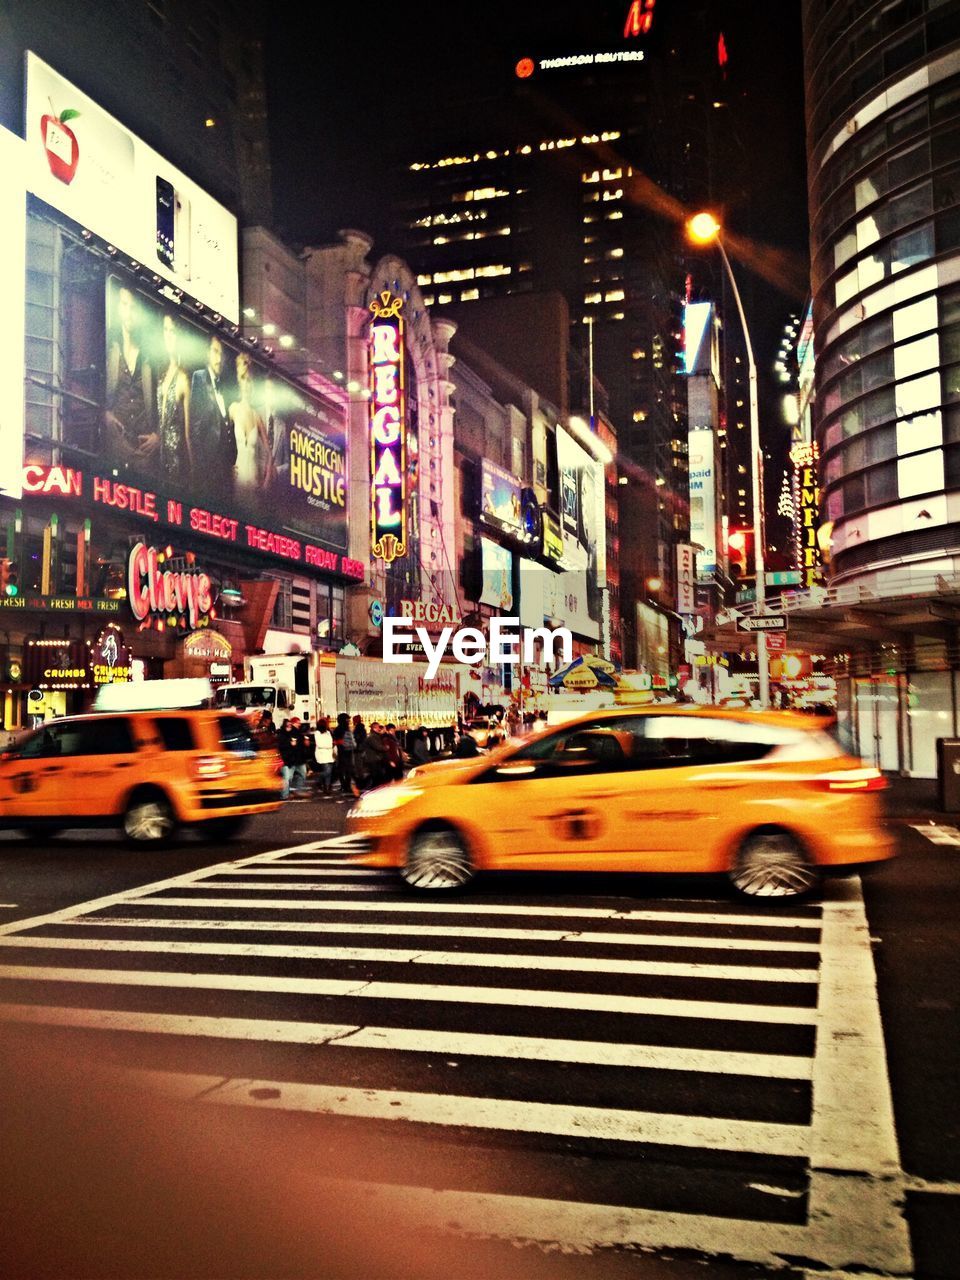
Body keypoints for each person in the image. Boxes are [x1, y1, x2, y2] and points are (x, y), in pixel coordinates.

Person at [104, 285, 157, 478]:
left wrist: (158, 436)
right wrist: (106, 415)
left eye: (133, 307)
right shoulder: (109, 346)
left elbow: (167, 402)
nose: (129, 313)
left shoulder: (151, 356)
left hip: (144, 450)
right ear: (118, 308)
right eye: (124, 305)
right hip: (116, 443)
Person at [190, 335, 235, 498]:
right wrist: (201, 468)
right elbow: (194, 427)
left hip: (224, 473)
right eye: (215, 352)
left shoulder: (223, 386)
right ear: (207, 353)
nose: (219, 358)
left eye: (221, 354)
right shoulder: (200, 377)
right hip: (208, 471)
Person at [229, 353, 271, 501]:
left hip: (254, 481)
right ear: (239, 382)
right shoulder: (233, 409)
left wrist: (266, 481)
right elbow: (223, 440)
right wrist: (227, 466)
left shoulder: (256, 416)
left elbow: (268, 452)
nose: (246, 385)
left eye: (249, 381)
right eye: (243, 380)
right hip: (238, 479)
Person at [156, 313, 191, 485]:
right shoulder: (160, 375)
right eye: (166, 330)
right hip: (156, 457)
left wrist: (195, 474)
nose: (169, 336)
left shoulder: (184, 378)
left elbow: (189, 433)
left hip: (175, 460)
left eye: (173, 331)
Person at [332, 713, 358, 797]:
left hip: (344, 751)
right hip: (346, 751)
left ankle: (344, 785)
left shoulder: (340, 729)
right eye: (347, 719)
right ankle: (346, 785)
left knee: (343, 769)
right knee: (347, 770)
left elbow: (336, 741)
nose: (349, 721)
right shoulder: (343, 729)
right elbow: (338, 740)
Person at [360, 721, 389, 790]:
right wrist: (386, 748)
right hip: (373, 759)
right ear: (374, 728)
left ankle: (373, 789)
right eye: (379, 727)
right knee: (376, 776)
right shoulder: (372, 737)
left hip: (375, 758)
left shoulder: (375, 736)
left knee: (376, 776)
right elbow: (378, 747)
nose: (380, 729)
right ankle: (372, 790)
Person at [313, 717, 335, 796]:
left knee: (329, 773)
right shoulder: (317, 733)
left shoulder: (328, 733)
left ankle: (327, 787)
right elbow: (320, 744)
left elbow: (331, 742)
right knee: (327, 771)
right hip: (322, 755)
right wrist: (330, 745)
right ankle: (318, 780)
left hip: (329, 754)